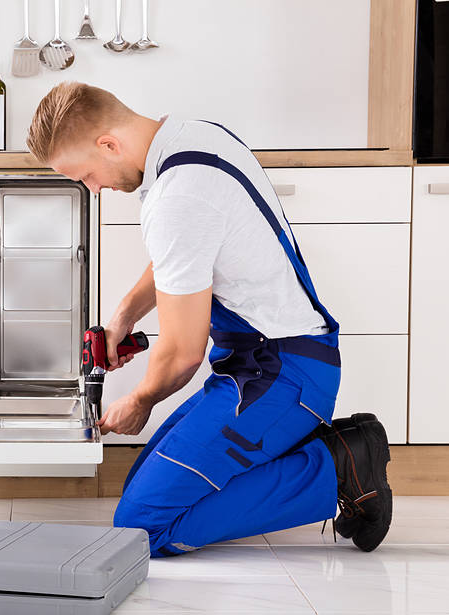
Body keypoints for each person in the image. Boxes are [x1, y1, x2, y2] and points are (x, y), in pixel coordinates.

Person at [26, 82, 392, 556]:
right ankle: (298, 454)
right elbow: (181, 254)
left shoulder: (178, 196)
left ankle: (339, 464)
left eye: (87, 175)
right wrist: (121, 318)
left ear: (108, 145)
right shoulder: (189, 138)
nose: (93, 189)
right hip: (259, 365)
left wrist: (139, 400)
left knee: (142, 527)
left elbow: (181, 352)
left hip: (284, 375)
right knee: (140, 483)